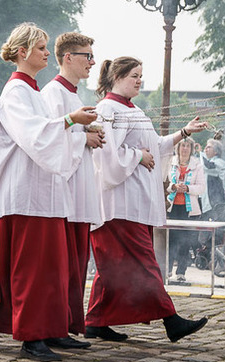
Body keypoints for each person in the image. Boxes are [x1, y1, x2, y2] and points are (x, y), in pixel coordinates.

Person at [0, 23, 98, 362]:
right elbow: (35, 135)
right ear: (23, 52)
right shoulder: (15, 92)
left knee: (49, 267)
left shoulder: (33, 92)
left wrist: (77, 129)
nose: (46, 54)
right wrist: (70, 122)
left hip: (43, 193)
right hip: (23, 193)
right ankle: (31, 335)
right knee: (32, 269)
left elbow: (50, 137)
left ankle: (46, 328)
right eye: (41, 48)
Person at [86, 56, 209, 344]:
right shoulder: (107, 108)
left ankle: (95, 320)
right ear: (116, 77)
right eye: (134, 75)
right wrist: (138, 156)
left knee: (113, 267)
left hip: (135, 203)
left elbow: (155, 145)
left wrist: (184, 132)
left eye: (141, 75)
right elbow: (106, 157)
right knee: (143, 262)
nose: (139, 80)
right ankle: (171, 320)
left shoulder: (133, 109)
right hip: (120, 204)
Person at [40, 31, 105, 345]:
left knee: (76, 263)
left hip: (79, 189)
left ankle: (65, 323)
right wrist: (85, 137)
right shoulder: (52, 93)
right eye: (87, 56)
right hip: (62, 193)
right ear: (68, 57)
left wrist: (89, 133)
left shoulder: (75, 96)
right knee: (62, 265)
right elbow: (48, 140)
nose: (92, 62)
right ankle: (55, 325)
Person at [165, 138, 205, 284]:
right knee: (171, 239)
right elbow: (166, 182)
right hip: (173, 206)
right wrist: (174, 187)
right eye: (183, 145)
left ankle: (181, 271)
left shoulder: (198, 165)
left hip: (189, 209)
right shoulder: (171, 162)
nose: (185, 149)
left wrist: (187, 188)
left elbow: (201, 187)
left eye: (188, 146)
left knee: (185, 241)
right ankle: (167, 269)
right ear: (178, 147)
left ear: (192, 148)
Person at [200, 138, 225, 221]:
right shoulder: (206, 161)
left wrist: (200, 152)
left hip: (217, 203)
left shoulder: (220, 163)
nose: (205, 149)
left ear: (216, 151)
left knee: (218, 231)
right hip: (206, 203)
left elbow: (207, 166)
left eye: (209, 147)